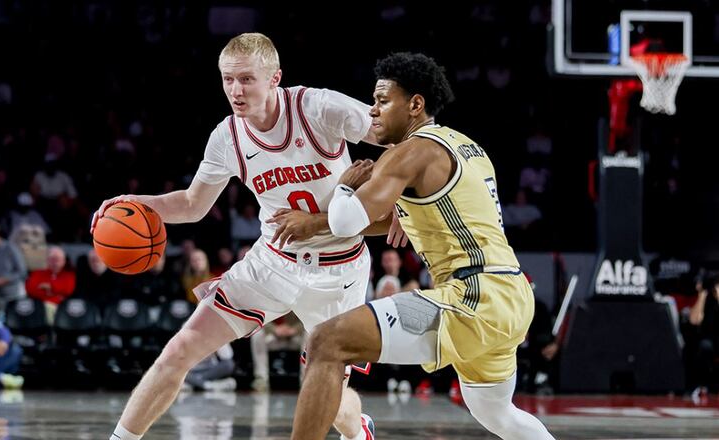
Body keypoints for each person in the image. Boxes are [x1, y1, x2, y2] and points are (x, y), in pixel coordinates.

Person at [93, 33, 405, 440]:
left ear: (275, 78)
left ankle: (357, 429)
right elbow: (192, 204)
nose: (235, 91)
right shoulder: (227, 137)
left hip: (337, 269)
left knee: (331, 400)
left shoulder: (318, 107)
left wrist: (411, 199)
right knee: (178, 350)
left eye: (246, 79)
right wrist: (136, 202)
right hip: (272, 262)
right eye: (227, 80)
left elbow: (402, 135)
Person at [289, 52, 555, 440]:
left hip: (473, 295)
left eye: (382, 101)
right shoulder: (466, 146)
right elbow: (429, 216)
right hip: (510, 293)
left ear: (415, 104)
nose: (372, 111)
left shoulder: (409, 152)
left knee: (326, 341)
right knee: (499, 414)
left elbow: (348, 219)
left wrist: (346, 184)